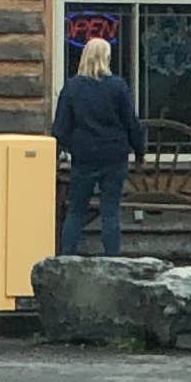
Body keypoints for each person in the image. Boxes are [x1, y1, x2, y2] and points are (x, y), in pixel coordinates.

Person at [51, 31, 147, 255]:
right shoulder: (117, 86)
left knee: (76, 210)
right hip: (114, 155)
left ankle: (67, 256)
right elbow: (131, 122)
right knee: (110, 211)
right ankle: (112, 258)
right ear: (107, 58)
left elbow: (61, 127)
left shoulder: (72, 88)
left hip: (84, 156)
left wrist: (57, 152)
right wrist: (140, 151)